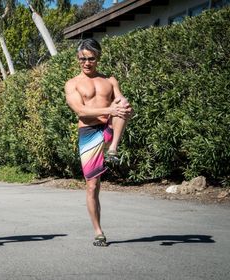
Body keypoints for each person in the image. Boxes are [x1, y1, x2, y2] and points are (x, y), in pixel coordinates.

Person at [65, 39, 132, 247]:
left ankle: (113, 149)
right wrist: (110, 110)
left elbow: (121, 103)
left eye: (91, 58)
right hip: (89, 132)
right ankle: (98, 232)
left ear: (98, 58)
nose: (86, 62)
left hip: (110, 128)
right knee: (92, 186)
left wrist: (123, 107)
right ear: (78, 59)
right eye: (82, 58)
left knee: (122, 104)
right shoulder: (72, 83)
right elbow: (81, 111)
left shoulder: (110, 80)